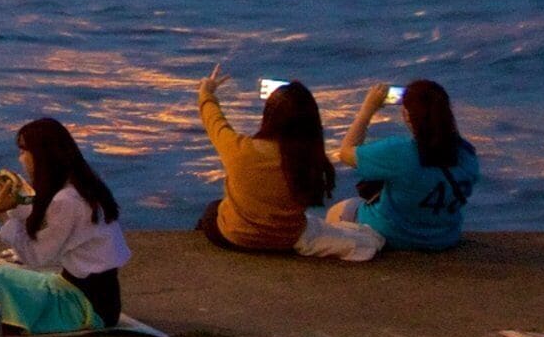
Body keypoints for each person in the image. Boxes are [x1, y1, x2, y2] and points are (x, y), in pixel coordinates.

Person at [0, 118, 130, 327]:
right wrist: (12, 201)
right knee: (1, 275)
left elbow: (35, 257)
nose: (21, 158)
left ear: (41, 155)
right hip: (94, 295)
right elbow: (38, 215)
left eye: (24, 151)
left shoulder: (67, 201)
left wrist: (0, 213)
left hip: (87, 306)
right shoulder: (78, 188)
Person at [194, 72, 337, 257]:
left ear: (268, 115)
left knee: (213, 210)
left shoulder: (241, 149)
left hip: (237, 237)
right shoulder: (309, 158)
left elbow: (215, 122)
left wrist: (206, 92)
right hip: (287, 240)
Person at [336, 80, 480, 255]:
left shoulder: (399, 151)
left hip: (392, 234)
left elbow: (345, 153)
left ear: (407, 115)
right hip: (444, 237)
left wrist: (368, 109)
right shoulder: (467, 154)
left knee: (340, 210)